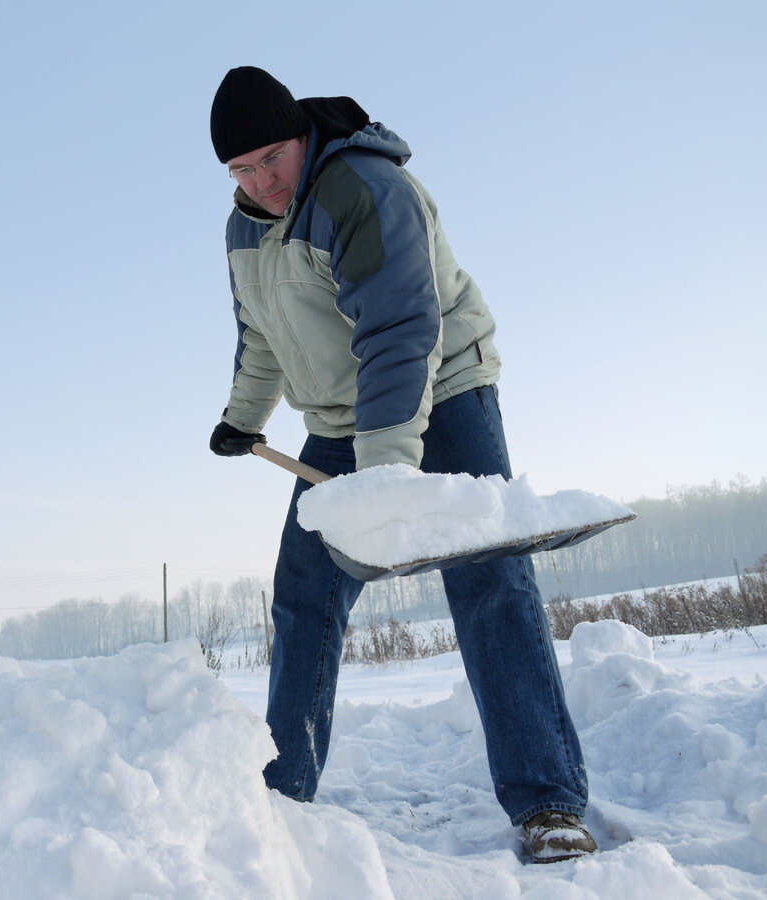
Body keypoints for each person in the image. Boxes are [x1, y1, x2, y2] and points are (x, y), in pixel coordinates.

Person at [206, 66, 597, 863]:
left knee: (488, 579)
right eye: (241, 170)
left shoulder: (362, 187)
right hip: (344, 417)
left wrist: (388, 478)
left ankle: (547, 802)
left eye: (271, 159)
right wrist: (242, 419)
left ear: (301, 136)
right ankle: (283, 796)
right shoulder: (244, 227)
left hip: (444, 386)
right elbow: (261, 337)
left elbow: (400, 334)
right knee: (305, 595)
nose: (261, 181)